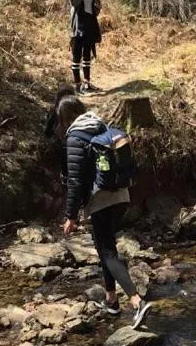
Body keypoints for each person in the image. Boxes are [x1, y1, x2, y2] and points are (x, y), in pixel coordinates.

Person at [57, 95, 152, 329]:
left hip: (101, 199)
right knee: (104, 247)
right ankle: (111, 299)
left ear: (65, 118)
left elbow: (75, 181)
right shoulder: (100, 126)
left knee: (107, 251)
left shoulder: (75, 137)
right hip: (121, 194)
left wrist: (71, 216)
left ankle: (136, 301)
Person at [66, 0, 101, 94]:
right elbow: (74, 1)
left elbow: (93, 6)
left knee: (87, 55)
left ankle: (87, 83)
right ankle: (77, 86)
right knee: (76, 56)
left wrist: (97, 6)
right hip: (78, 26)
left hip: (89, 25)